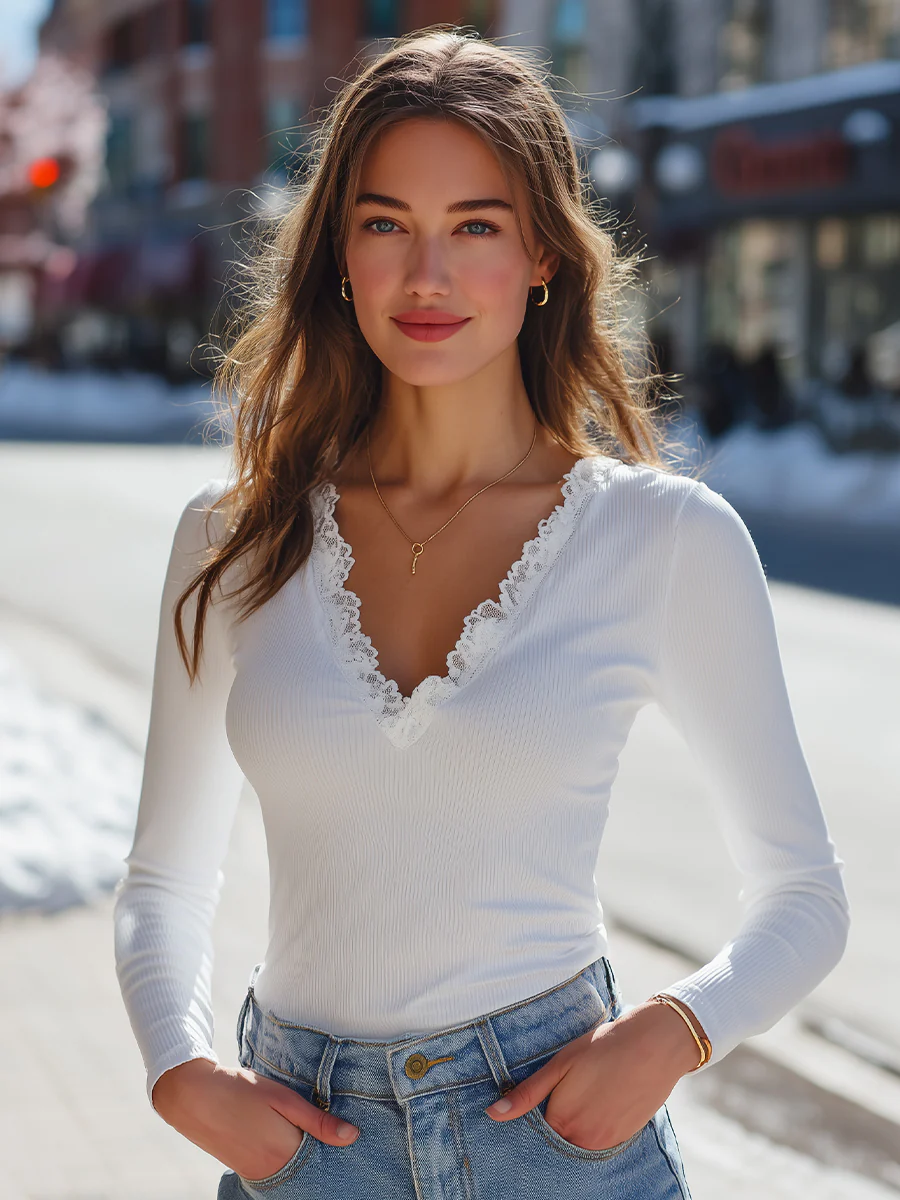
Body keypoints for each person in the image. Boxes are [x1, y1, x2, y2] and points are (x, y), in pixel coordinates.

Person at [112, 28, 850, 1200]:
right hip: (304, 1151)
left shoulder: (663, 539)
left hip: (559, 1140)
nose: (426, 277)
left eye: (477, 227)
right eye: (385, 222)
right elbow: (164, 880)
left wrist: (673, 1035)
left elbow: (806, 897)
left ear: (544, 253)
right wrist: (179, 1073)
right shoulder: (233, 539)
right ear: (338, 257)